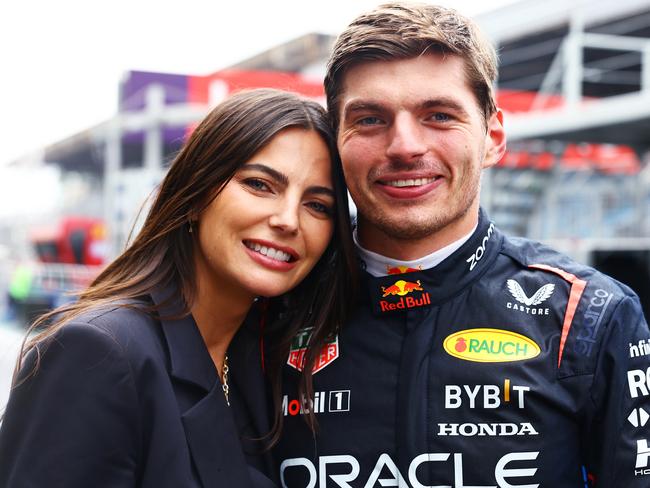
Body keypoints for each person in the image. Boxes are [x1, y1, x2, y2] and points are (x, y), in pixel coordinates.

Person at [274, 3, 650, 487]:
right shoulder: (269, 305)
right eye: (370, 119)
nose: (405, 146)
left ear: (492, 137)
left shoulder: (591, 315)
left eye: (438, 115)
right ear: (336, 140)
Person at [0, 88, 357, 488]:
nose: (288, 220)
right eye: (260, 185)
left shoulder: (260, 363)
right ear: (196, 194)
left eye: (318, 205)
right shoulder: (100, 352)